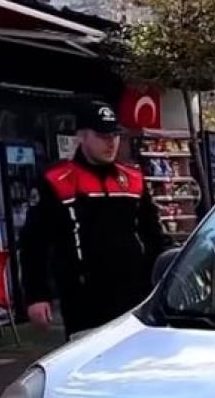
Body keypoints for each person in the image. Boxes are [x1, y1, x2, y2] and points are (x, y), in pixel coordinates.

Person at [19, 100, 167, 340]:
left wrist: (163, 282)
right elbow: (33, 243)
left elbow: (153, 237)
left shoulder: (133, 180)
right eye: (102, 135)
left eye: (115, 135)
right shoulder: (56, 181)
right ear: (82, 136)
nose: (111, 142)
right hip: (83, 299)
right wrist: (36, 295)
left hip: (135, 296)